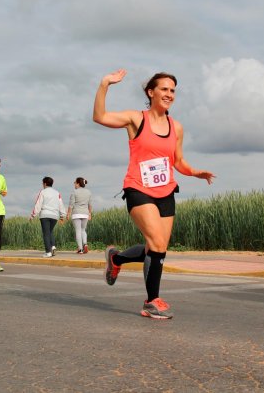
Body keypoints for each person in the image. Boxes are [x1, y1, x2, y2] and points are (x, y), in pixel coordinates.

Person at [93, 69, 216, 319]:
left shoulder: (176, 127)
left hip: (166, 191)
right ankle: (151, 301)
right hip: (138, 188)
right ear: (151, 92)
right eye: (164, 89)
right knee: (157, 243)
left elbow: (178, 161)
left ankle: (116, 258)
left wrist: (194, 172)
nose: (169, 94)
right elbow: (100, 116)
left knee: (157, 247)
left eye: (172, 90)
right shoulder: (136, 119)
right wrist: (105, 83)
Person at [30, 176, 66, 258]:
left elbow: (38, 204)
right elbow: (61, 204)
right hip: (54, 216)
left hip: (45, 215)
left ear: (45, 183)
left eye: (42, 183)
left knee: (46, 233)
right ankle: (53, 246)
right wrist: (62, 216)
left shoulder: (43, 192)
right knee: (50, 231)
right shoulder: (57, 193)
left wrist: (33, 215)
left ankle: (48, 252)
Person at [66, 177, 92, 254]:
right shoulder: (88, 192)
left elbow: (71, 205)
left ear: (78, 183)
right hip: (85, 213)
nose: (74, 184)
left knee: (78, 231)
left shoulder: (74, 192)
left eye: (75, 182)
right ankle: (85, 244)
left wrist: (68, 214)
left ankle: (80, 249)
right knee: (83, 230)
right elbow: (90, 204)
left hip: (76, 213)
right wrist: (90, 214)